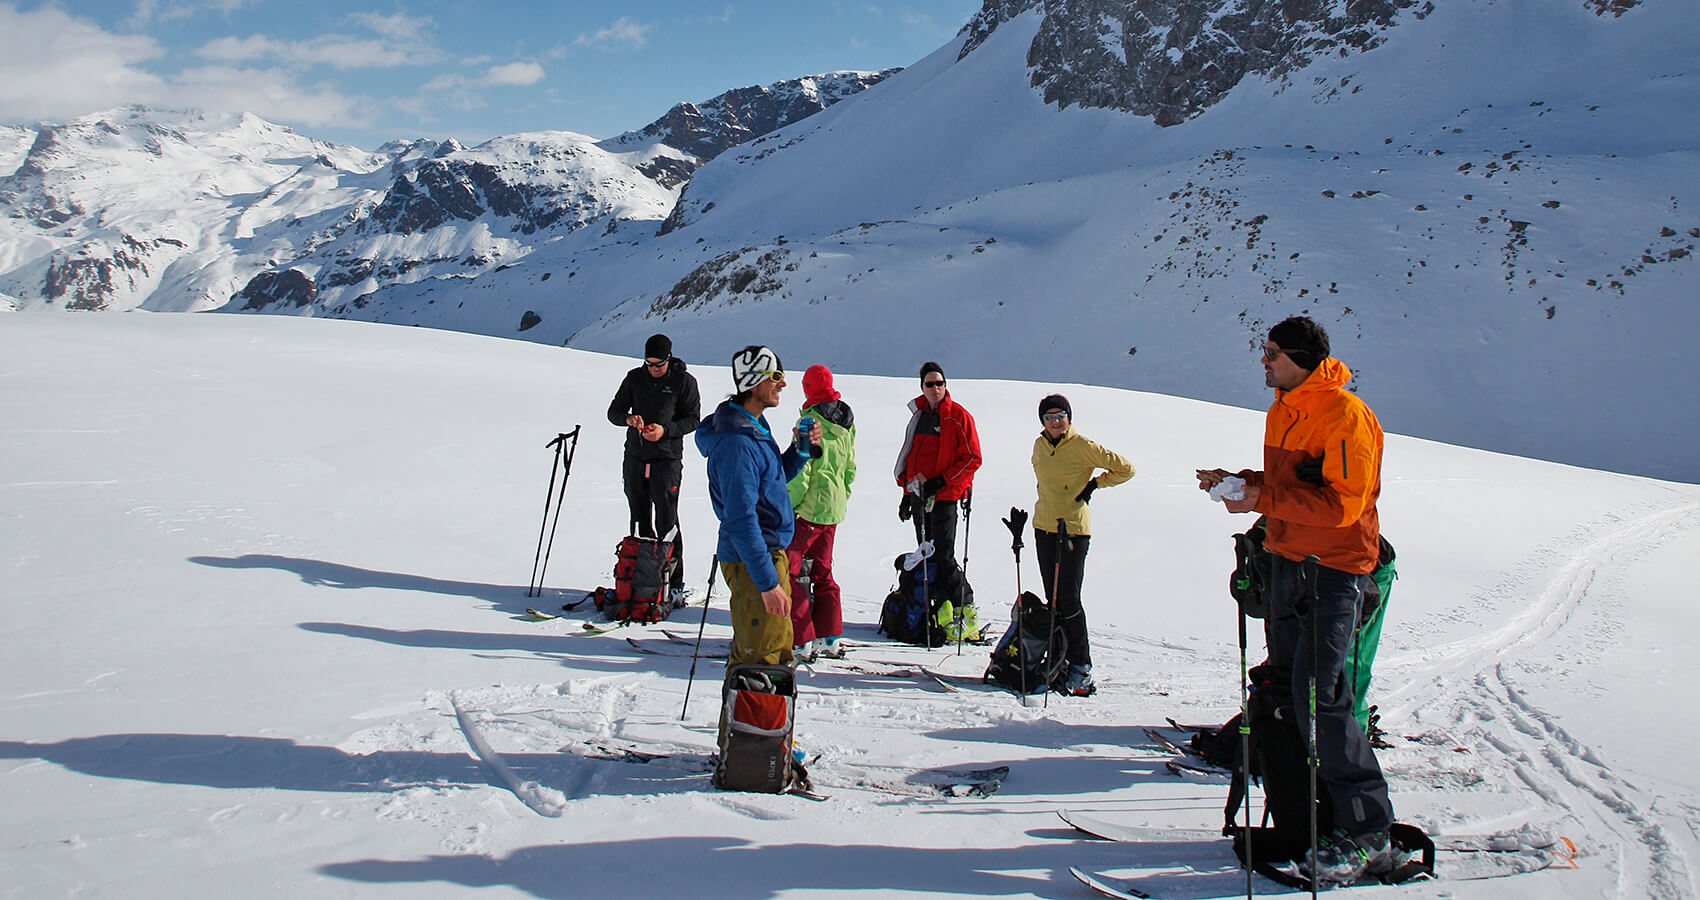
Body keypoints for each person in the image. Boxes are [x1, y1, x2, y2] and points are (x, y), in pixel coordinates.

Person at [1197, 316, 1396, 884]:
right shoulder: (1284, 406)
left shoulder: (1345, 416)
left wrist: (1261, 495)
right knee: (1286, 688)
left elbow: (1341, 508)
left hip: (1333, 570)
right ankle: (1307, 817)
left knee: (1321, 699)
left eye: (1272, 353)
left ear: (1301, 358)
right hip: (1288, 560)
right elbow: (1294, 485)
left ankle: (1368, 834)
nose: (1263, 360)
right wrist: (1244, 483)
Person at [696, 346, 820, 666]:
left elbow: (771, 481)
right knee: (760, 659)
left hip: (763, 557)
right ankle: (753, 716)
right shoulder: (738, 443)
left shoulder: (752, 428)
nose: (782, 384)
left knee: (773, 652)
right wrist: (766, 583)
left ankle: (766, 716)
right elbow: (740, 519)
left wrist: (801, 450)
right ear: (755, 383)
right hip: (754, 560)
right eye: (776, 377)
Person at [1029, 394, 1136, 697]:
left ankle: (1081, 668)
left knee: (1069, 600)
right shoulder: (1039, 446)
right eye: (1049, 417)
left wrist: (1095, 485)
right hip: (1044, 528)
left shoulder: (1082, 446)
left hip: (1073, 531)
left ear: (1069, 417)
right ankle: (1060, 659)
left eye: (1060, 415)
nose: (1055, 422)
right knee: (1054, 599)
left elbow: (1126, 469)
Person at [606, 334, 701, 603]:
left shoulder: (684, 382)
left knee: (667, 521)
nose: (654, 368)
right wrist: (628, 418)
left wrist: (665, 431)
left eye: (659, 364)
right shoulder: (635, 378)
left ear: (669, 360)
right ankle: (641, 579)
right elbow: (613, 411)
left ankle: (674, 584)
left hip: (666, 460)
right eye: (649, 363)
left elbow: (693, 419)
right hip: (635, 457)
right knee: (638, 519)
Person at [894, 361, 982, 638]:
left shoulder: (958, 416)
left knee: (944, 555)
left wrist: (943, 481)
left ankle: (964, 608)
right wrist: (908, 495)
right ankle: (938, 611)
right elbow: (912, 457)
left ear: (946, 385)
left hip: (945, 496)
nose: (935, 389)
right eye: (930, 384)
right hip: (922, 496)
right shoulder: (919, 417)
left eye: (939, 383)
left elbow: (972, 458)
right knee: (925, 552)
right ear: (922, 387)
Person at [785, 365, 857, 662]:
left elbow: (801, 472)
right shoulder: (846, 423)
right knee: (823, 571)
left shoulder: (808, 423)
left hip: (809, 511)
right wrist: (841, 497)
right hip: (833, 510)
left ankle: (801, 638)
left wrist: (789, 506)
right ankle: (829, 636)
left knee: (789, 572)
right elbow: (850, 468)